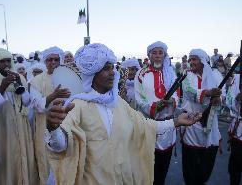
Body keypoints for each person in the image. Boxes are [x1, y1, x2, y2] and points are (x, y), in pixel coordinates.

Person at [44, 43, 200, 185]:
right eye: (106, 68)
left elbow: (146, 125)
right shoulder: (77, 105)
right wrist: (53, 128)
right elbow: (62, 145)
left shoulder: (117, 103)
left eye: (112, 67)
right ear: (92, 74)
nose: (113, 73)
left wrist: (175, 122)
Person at [0, 48, 38, 185]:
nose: (6, 64)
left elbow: (27, 102)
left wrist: (19, 84)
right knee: (7, 159)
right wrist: (2, 86)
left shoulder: (18, 77)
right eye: (2, 62)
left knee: (24, 157)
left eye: (8, 61)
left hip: (21, 125)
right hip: (2, 127)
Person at [135, 41, 177, 185]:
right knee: (147, 169)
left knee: (163, 169)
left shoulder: (171, 73)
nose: (158, 56)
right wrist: (154, 106)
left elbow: (177, 95)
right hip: (149, 126)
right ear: (149, 56)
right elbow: (139, 99)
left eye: (160, 53)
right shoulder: (141, 74)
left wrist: (172, 101)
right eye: (154, 53)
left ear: (164, 55)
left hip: (168, 128)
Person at [181, 49, 223, 185]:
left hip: (211, 127)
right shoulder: (186, 76)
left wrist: (218, 100)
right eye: (190, 59)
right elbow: (189, 92)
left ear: (203, 61)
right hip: (191, 126)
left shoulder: (216, 75)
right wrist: (209, 93)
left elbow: (224, 98)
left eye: (194, 59)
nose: (191, 62)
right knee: (190, 167)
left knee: (206, 167)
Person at [29, 46, 70, 185]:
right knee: (47, 163)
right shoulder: (36, 81)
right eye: (50, 59)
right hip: (44, 128)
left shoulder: (68, 77)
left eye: (56, 59)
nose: (53, 62)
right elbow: (38, 106)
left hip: (68, 126)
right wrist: (54, 96)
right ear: (45, 61)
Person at [226, 72, 242, 185]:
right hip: (239, 132)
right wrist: (237, 99)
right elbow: (228, 101)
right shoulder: (238, 78)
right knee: (235, 170)